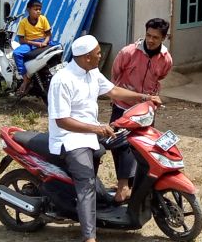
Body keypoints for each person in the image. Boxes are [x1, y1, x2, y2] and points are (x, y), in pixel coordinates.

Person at [47, 35, 161, 242]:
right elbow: (62, 121)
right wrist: (96, 129)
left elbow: (113, 90)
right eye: (98, 53)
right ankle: (89, 237)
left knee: (125, 143)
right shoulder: (62, 80)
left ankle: (120, 191)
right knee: (86, 184)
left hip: (91, 132)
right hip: (70, 138)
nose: (101, 55)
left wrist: (144, 97)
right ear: (86, 57)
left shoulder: (91, 72)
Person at [108, 18, 173, 202]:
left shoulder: (166, 59)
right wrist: (118, 96)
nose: (151, 40)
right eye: (148, 35)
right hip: (122, 107)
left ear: (164, 38)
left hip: (145, 111)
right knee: (119, 146)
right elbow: (115, 74)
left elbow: (161, 75)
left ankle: (134, 185)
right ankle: (123, 185)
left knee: (142, 148)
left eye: (156, 37)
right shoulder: (128, 52)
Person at [14, 0, 53, 96]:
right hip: (30, 44)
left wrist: (44, 42)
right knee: (16, 53)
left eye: (40, 9)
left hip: (43, 41)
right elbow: (21, 40)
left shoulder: (43, 19)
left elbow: (48, 34)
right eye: (36, 9)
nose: (38, 11)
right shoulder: (23, 22)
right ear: (28, 10)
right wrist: (35, 44)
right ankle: (25, 77)